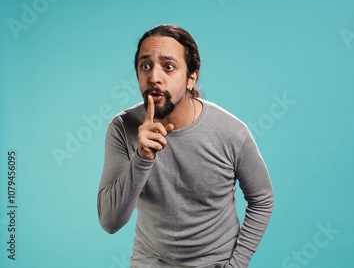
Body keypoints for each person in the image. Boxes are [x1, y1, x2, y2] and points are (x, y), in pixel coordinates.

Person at [97, 24, 274, 268]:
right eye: (145, 66)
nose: (154, 77)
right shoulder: (122, 128)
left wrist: (237, 264)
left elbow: (262, 199)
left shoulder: (231, 131)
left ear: (191, 77)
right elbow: (110, 222)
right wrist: (142, 157)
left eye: (168, 67)